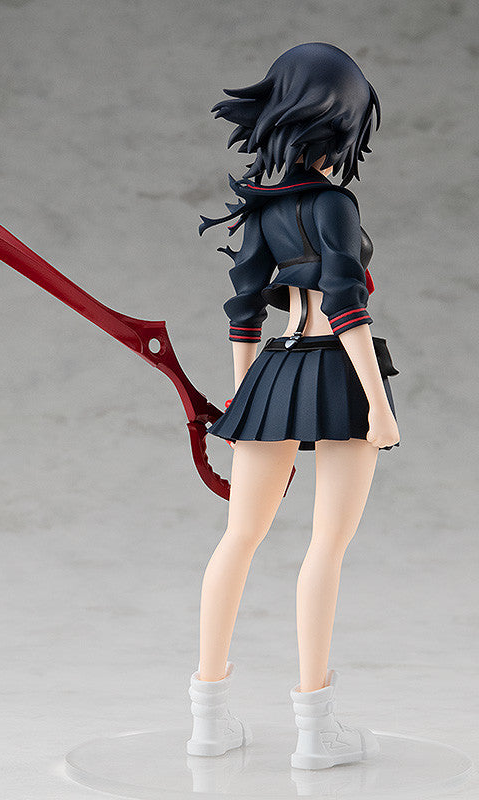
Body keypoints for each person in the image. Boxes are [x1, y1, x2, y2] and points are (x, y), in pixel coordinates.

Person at [186, 42, 400, 770]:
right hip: (339, 375)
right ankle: (316, 732)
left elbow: (245, 312)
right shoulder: (335, 203)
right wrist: (379, 407)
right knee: (325, 546)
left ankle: (208, 723)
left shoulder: (265, 207)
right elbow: (347, 308)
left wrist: (243, 397)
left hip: (274, 373)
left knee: (237, 538)